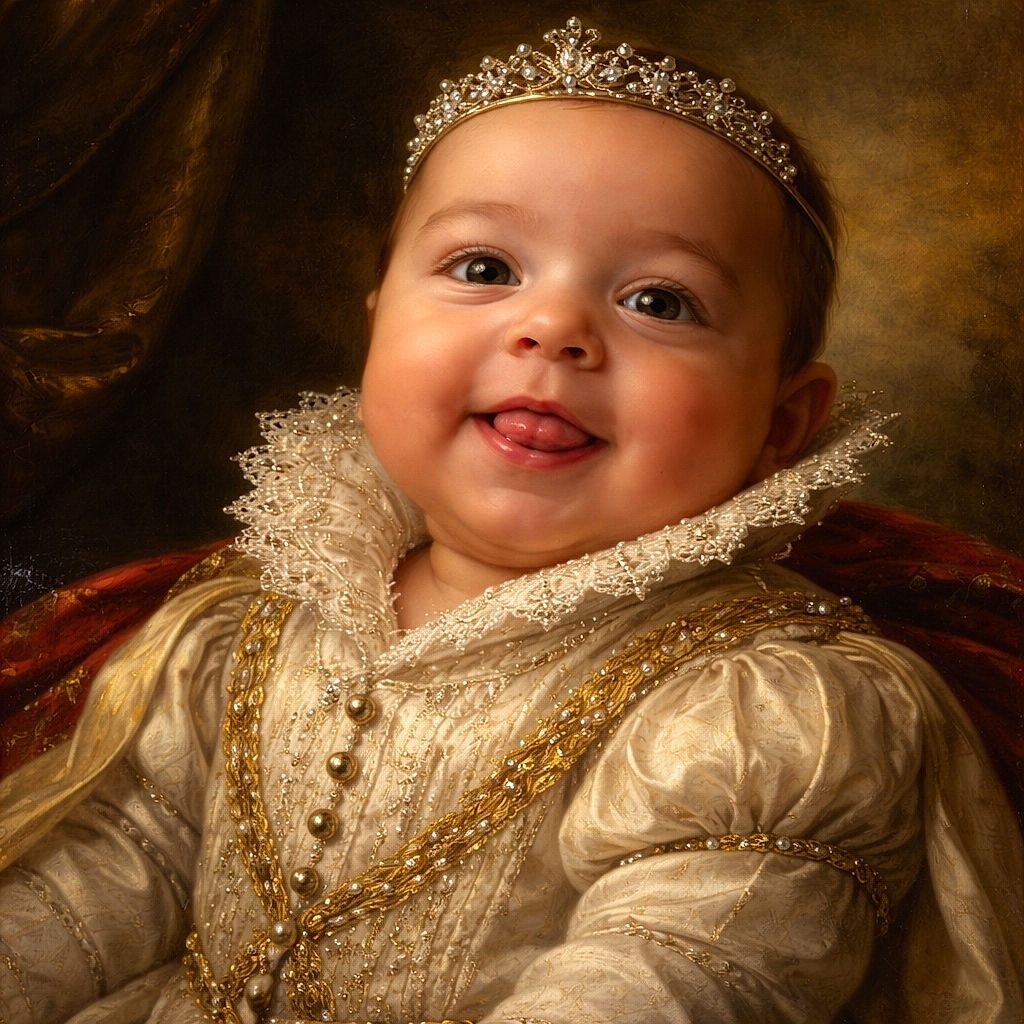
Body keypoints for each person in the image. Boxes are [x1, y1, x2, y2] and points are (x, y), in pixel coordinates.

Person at [0, 17, 1020, 1024]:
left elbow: (675, 977)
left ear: (779, 425)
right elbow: (113, 870)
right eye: (484, 269)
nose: (553, 329)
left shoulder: (771, 713)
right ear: (375, 329)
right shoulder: (250, 624)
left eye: (660, 301)